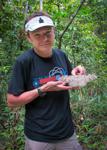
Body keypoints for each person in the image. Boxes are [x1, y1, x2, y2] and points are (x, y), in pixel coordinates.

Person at [7, 11, 85, 150]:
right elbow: (12, 101)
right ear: (29, 37)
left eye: (48, 33)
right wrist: (42, 90)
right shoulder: (23, 62)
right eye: (37, 35)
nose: (45, 38)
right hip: (38, 137)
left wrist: (79, 76)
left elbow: (73, 85)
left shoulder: (61, 55)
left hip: (66, 133)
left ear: (54, 32)